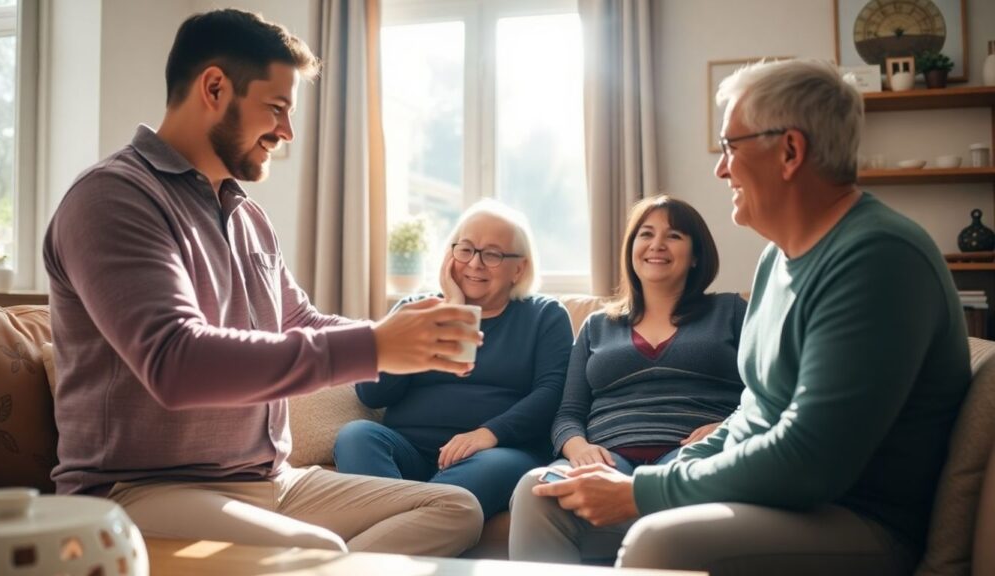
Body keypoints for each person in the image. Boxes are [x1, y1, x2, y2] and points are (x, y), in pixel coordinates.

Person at [43, 9, 487, 556]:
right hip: (138, 490)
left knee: (453, 507)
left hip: (272, 481)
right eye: (276, 108)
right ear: (214, 87)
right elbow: (175, 362)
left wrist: (401, 338)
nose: (287, 131)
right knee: (317, 551)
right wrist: (374, 345)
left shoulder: (245, 214)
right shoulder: (114, 198)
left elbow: (298, 323)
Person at [525, 59, 971, 575]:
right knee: (543, 498)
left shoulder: (876, 257)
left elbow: (810, 459)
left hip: (853, 516)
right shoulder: (776, 259)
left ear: (789, 151)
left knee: (660, 544)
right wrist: (673, 468)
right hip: (772, 498)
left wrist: (645, 488)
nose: (721, 168)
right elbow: (754, 413)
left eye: (731, 147)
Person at [508, 194, 746, 564]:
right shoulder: (596, 326)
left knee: (675, 499)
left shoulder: (730, 310)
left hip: (690, 457)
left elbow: (766, 392)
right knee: (534, 488)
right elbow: (568, 412)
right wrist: (578, 449)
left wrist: (728, 426)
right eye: (645, 234)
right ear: (631, 248)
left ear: (696, 254)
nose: (656, 245)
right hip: (607, 461)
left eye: (674, 236)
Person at [333, 200, 574, 520]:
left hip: (496, 453)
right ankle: (421, 525)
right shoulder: (416, 309)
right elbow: (373, 394)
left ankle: (397, 529)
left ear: (520, 268)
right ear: (450, 255)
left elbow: (552, 392)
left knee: (493, 468)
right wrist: (449, 312)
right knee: (356, 436)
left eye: (492, 254)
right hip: (409, 449)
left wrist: (487, 434)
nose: (474, 264)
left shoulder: (545, 316)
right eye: (466, 249)